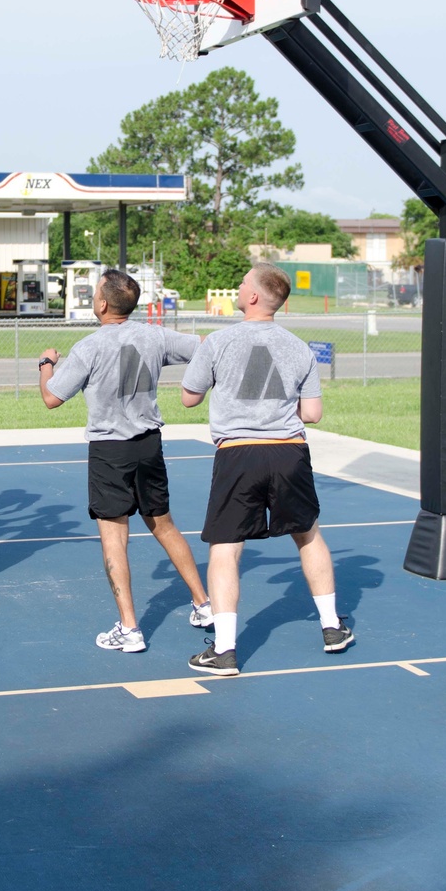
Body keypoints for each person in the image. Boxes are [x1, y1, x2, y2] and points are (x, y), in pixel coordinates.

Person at [180, 262, 354, 677]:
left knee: (226, 547)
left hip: (239, 453)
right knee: (308, 535)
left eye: (242, 284)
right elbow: (312, 413)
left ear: (254, 296)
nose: (237, 288)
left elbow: (188, 398)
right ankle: (331, 627)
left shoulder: (219, 341)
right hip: (288, 452)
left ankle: (224, 650)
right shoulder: (299, 346)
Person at [38, 267, 210, 652]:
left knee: (114, 539)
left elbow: (51, 398)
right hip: (149, 444)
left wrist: (46, 363)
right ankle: (204, 603)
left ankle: (130, 628)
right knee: (164, 526)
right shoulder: (156, 336)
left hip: (110, 451)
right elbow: (204, 348)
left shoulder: (89, 347)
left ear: (102, 303)